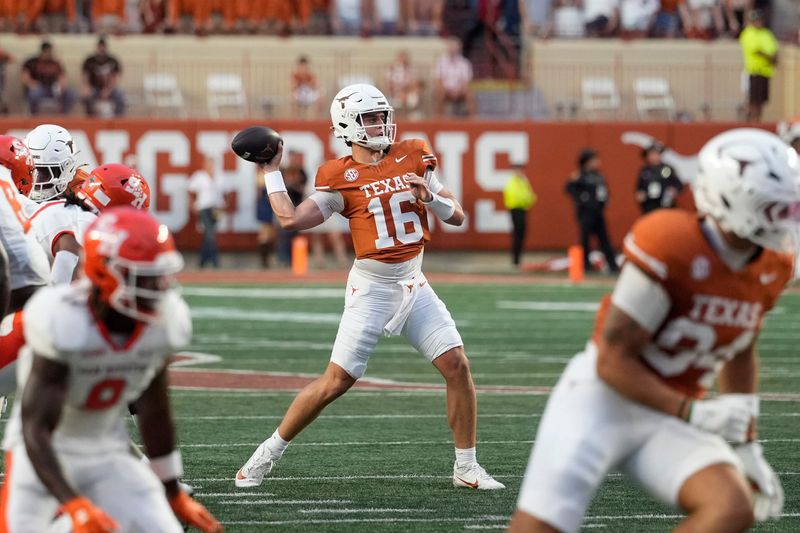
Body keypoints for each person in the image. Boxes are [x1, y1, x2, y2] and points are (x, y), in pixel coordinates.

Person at [508, 128, 795, 533]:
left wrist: (746, 442)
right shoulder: (672, 242)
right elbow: (612, 361)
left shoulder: (771, 266)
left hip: (669, 416)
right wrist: (693, 411)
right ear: (731, 198)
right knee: (540, 527)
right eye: (774, 208)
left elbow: (742, 346)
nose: (786, 220)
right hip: (602, 401)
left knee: (730, 507)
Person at [235, 83, 504, 491]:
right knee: (336, 381)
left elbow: (458, 216)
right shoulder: (338, 176)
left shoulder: (414, 153)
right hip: (372, 288)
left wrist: (429, 196)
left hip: (415, 282)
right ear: (347, 125)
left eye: (382, 115)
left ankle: (466, 466)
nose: (381, 124)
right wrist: (271, 172)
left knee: (457, 366)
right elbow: (290, 219)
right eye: (371, 118)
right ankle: (266, 453)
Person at [0, 207, 222, 533]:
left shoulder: (164, 321)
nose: (157, 288)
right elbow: (36, 429)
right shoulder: (64, 321)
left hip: (106, 450)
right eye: (142, 277)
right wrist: (74, 505)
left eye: (159, 275)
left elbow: (154, 408)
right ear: (103, 272)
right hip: (41, 453)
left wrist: (172, 491)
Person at [565, 148, 619, 274]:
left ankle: (612, 265)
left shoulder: (599, 175)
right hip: (585, 213)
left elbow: (603, 191)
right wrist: (581, 199)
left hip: (598, 212)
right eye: (594, 159)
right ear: (587, 161)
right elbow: (568, 189)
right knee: (585, 239)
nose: (597, 162)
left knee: (604, 239)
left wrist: (606, 199)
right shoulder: (579, 175)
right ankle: (585, 265)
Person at [739, 9, 778, 122]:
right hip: (753, 70)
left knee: (761, 101)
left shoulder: (767, 33)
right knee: (753, 100)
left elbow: (773, 49)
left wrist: (773, 57)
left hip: (765, 71)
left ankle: (757, 121)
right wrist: (770, 57)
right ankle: (750, 121)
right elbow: (756, 50)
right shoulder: (748, 33)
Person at [188, 156, 226, 269]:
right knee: (210, 233)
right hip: (203, 208)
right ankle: (215, 260)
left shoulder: (220, 176)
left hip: (216, 209)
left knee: (210, 234)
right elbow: (190, 190)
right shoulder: (199, 176)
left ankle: (202, 260)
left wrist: (225, 204)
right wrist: (192, 204)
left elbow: (227, 191)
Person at [21, 42, 77, 116]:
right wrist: (32, 84)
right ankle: (34, 115)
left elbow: (62, 77)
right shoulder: (31, 62)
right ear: (43, 51)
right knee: (34, 94)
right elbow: (24, 77)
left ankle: (63, 114)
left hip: (53, 89)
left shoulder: (55, 63)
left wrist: (61, 85)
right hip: (39, 88)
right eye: (48, 51)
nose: (50, 54)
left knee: (71, 93)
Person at [81, 36, 125, 118]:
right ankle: (91, 118)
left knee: (119, 94)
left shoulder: (113, 60)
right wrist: (87, 87)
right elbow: (85, 76)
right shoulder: (90, 60)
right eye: (100, 47)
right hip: (94, 88)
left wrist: (108, 89)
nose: (102, 49)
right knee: (86, 96)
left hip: (109, 88)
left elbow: (116, 78)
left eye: (103, 46)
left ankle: (119, 119)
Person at [503, 162, 537, 267]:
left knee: (521, 234)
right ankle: (515, 259)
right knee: (517, 235)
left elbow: (531, 197)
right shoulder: (512, 182)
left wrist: (526, 200)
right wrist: (526, 200)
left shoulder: (523, 181)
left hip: (522, 210)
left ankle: (518, 259)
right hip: (515, 209)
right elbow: (519, 197)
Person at [634, 142, 684, 215]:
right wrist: (640, 195)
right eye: (651, 154)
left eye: (656, 154)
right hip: (649, 205)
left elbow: (678, 184)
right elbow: (639, 188)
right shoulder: (645, 171)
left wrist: (674, 190)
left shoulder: (667, 169)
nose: (653, 156)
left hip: (666, 205)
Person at [434, 40, 475, 118]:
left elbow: (466, 81)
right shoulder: (440, 62)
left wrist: (458, 91)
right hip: (446, 90)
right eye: (450, 48)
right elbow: (438, 80)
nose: (452, 50)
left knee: (470, 93)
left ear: (458, 49)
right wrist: (447, 90)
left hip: (460, 90)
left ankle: (472, 119)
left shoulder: (465, 63)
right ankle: (439, 119)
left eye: (454, 48)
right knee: (439, 92)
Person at [255, 170, 276, 268]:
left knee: (268, 232)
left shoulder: (264, 174)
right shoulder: (263, 174)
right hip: (266, 204)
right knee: (265, 232)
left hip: (267, 204)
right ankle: (264, 260)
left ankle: (265, 260)